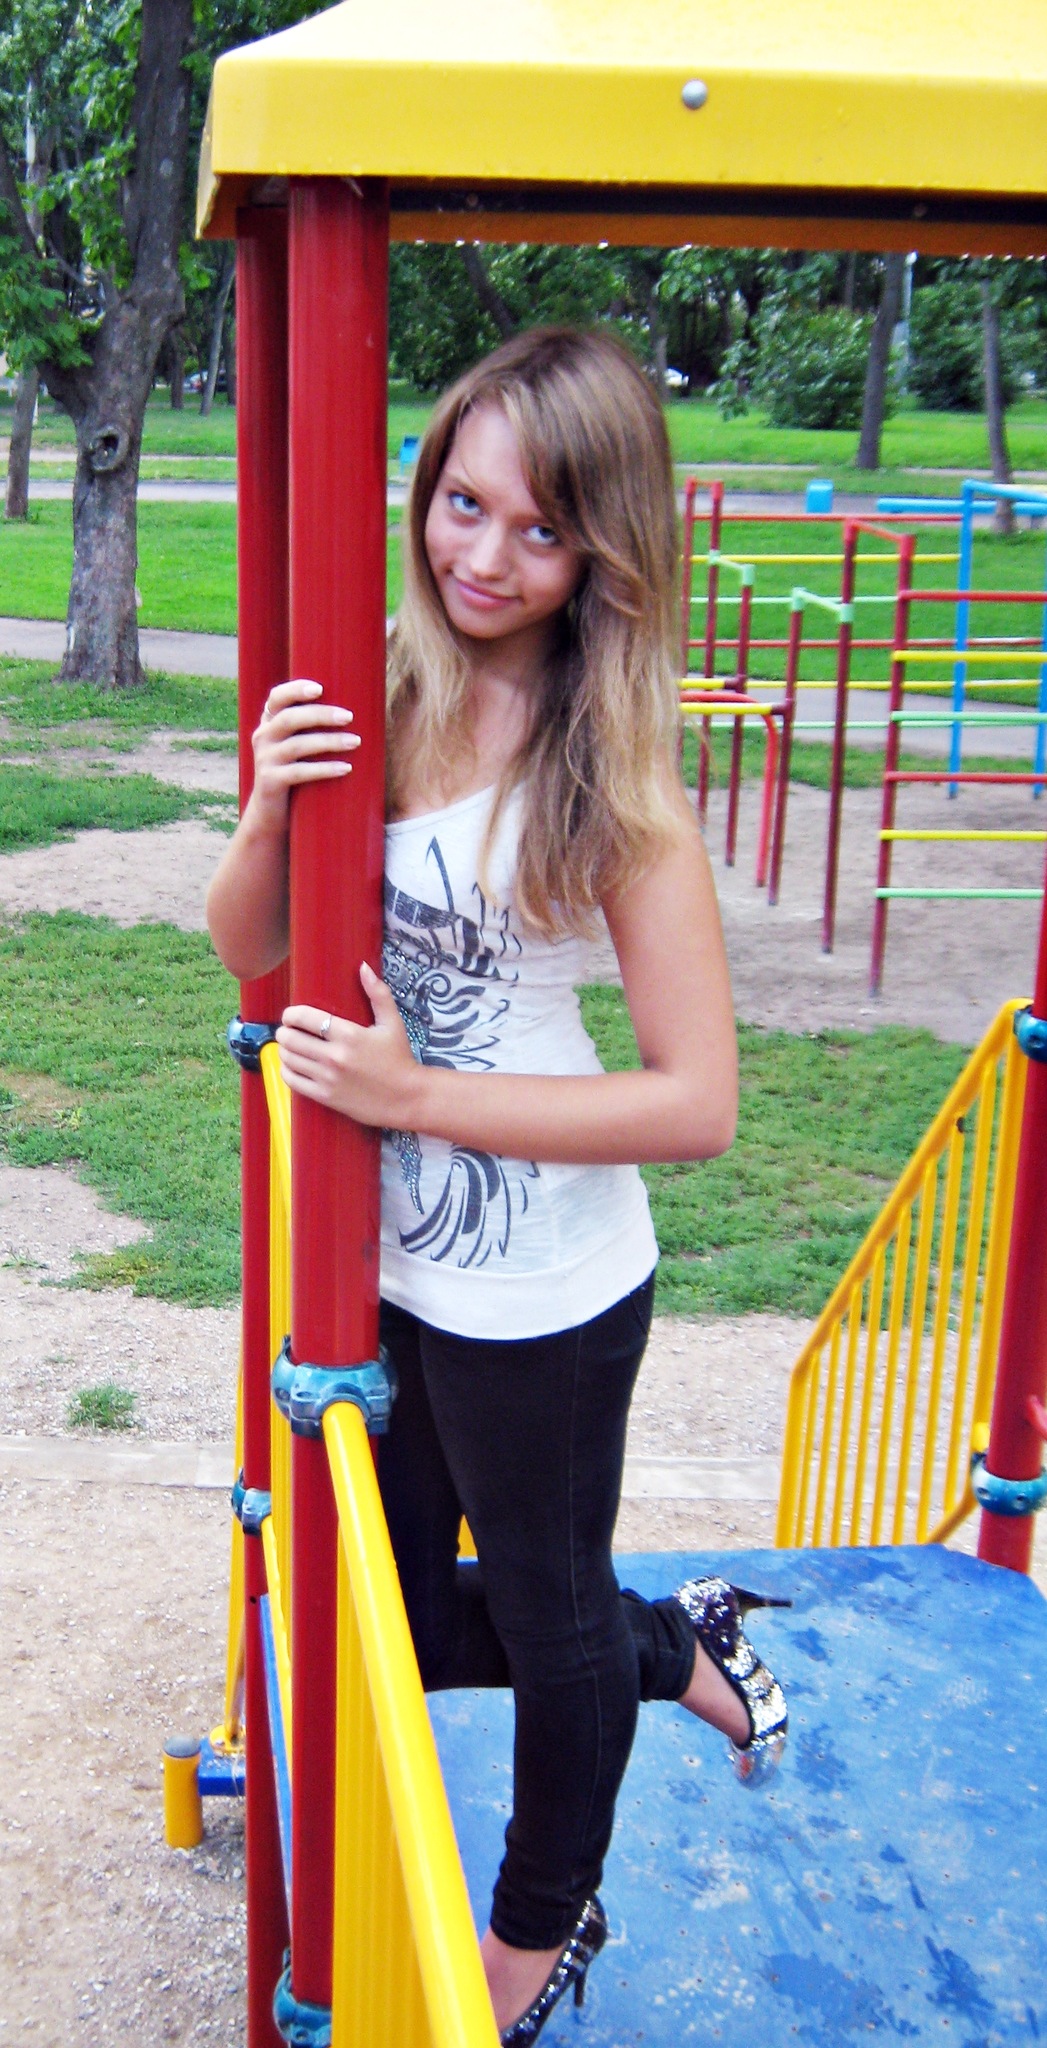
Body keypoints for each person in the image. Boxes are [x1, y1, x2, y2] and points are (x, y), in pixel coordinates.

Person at [206, 326, 788, 2044]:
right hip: (382, 1268)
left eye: (541, 531)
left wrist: (413, 1096)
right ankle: (672, 1648)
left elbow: (699, 1101)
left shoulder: (608, 766)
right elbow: (248, 948)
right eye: (463, 503)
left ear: (602, 552)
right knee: (378, 1612)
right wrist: (268, 810)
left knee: (546, 1633)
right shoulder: (378, 684)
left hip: (549, 1291)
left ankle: (546, 1926)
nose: (484, 557)